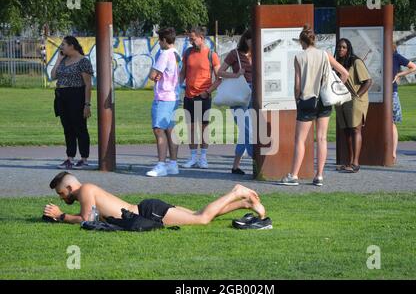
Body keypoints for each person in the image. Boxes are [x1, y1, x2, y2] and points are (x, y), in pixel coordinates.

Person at [43, 172, 269, 229]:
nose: (62, 198)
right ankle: (244, 203)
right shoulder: (87, 189)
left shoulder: (84, 190)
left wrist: (60, 216)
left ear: (70, 188)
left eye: (61, 194)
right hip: (147, 209)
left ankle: (236, 191)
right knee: (197, 214)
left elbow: (87, 218)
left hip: (147, 213)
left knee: (201, 219)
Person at [280, 25, 349, 187]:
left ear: (302, 42)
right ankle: (319, 176)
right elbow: (344, 73)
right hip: (324, 100)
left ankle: (294, 175)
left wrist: (296, 100)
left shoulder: (299, 57)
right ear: (314, 40)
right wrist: (335, 89)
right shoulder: (325, 54)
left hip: (307, 99)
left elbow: (297, 85)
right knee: (322, 138)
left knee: (300, 140)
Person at [178, 26, 221, 169]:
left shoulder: (211, 55)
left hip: (203, 97)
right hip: (189, 96)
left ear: (201, 38)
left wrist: (208, 91)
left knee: (204, 129)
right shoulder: (187, 53)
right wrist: (177, 87)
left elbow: (219, 78)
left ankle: (203, 158)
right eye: (190, 39)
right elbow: (183, 72)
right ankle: (192, 158)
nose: (190, 41)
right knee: (190, 128)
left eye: (193, 39)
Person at [51, 36, 93, 170]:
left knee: (79, 128)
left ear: (72, 46)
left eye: (63, 45)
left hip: (77, 96)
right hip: (62, 97)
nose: (61, 47)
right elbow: (53, 76)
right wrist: (58, 60)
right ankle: (70, 158)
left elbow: (88, 85)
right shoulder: (63, 60)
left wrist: (87, 104)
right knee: (67, 128)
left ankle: (84, 159)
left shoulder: (83, 61)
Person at [217, 29, 253, 175]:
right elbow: (220, 72)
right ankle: (256, 158)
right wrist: (235, 74)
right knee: (248, 129)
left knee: (246, 131)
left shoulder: (258, 54)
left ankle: (235, 167)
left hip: (254, 95)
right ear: (245, 40)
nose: (254, 43)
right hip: (239, 94)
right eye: (251, 39)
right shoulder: (235, 54)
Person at [146, 27, 181, 177]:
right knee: (170, 130)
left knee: (158, 130)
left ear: (165, 40)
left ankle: (161, 164)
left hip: (163, 96)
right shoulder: (176, 53)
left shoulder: (164, 54)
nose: (158, 43)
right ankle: (173, 163)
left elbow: (152, 75)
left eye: (160, 40)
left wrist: (154, 75)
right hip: (174, 96)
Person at [334, 38, 373, 173]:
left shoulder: (356, 62)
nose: (341, 49)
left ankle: (355, 163)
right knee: (346, 131)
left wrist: (357, 95)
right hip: (342, 100)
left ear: (348, 48)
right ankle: (349, 161)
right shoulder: (337, 63)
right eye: (339, 47)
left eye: (344, 47)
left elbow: (368, 81)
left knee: (355, 129)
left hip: (356, 100)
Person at [392, 44, 416, 163]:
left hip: (391, 93)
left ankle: (392, 152)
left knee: (391, 123)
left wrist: (399, 74)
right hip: (378, 93)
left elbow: (413, 67)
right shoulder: (378, 57)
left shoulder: (396, 57)